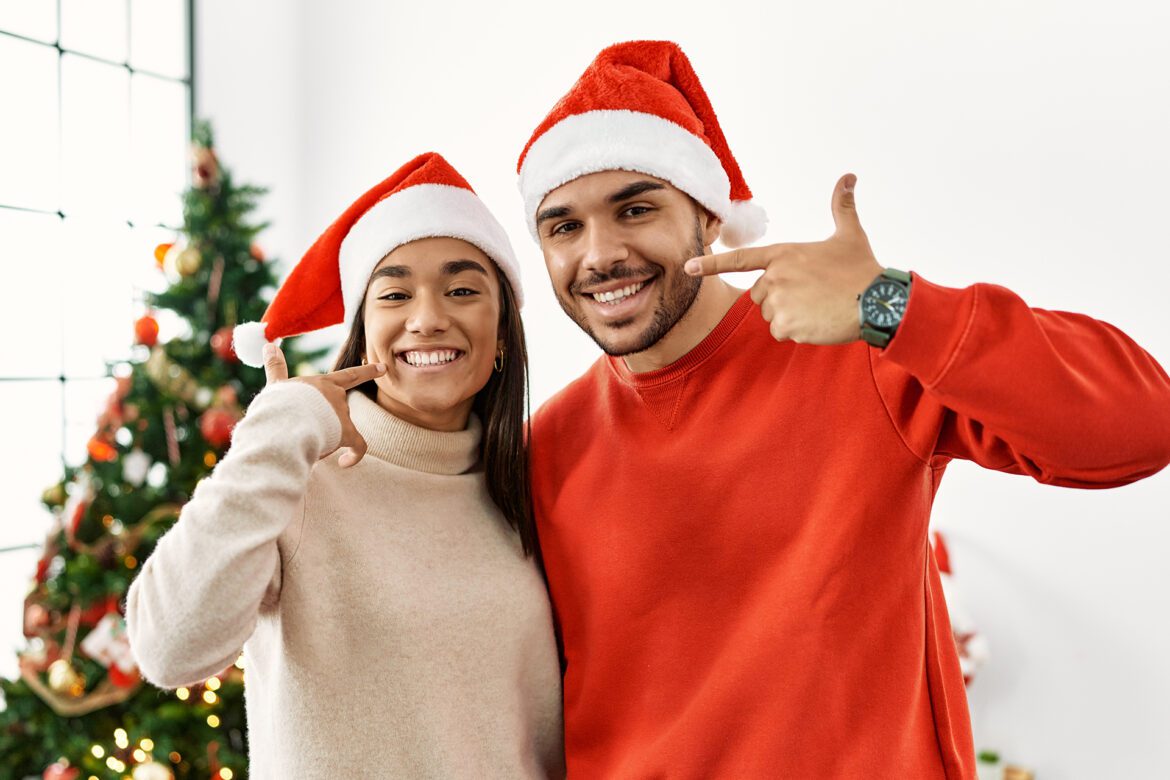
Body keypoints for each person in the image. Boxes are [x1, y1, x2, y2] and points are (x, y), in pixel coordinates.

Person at [517, 40, 1170, 778]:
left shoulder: (863, 352)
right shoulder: (544, 450)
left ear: (707, 216)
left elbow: (1142, 425)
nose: (600, 253)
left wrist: (894, 306)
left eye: (635, 208)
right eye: (563, 225)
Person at [127, 152, 564, 778]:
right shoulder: (299, 475)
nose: (428, 317)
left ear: (502, 334)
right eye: (394, 293)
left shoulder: (532, 479)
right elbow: (169, 648)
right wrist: (277, 426)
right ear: (364, 329)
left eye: (463, 289)